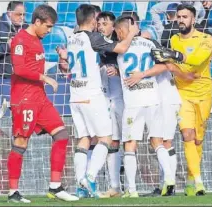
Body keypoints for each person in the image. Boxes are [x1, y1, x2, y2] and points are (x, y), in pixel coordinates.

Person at [57, 4, 138, 198]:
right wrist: (132, 33)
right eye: (97, 19)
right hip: (92, 94)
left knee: (84, 139)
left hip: (75, 95)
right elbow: (122, 47)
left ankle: (80, 186)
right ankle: (90, 178)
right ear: (93, 19)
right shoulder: (93, 37)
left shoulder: (71, 38)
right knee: (106, 138)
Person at [7, 4, 79, 203]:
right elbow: (19, 69)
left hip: (40, 97)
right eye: (47, 27)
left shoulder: (37, 40)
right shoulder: (21, 40)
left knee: (62, 135)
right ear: (37, 21)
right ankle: (13, 192)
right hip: (24, 99)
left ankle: (55, 186)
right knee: (21, 143)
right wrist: (45, 77)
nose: (49, 31)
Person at [151, 4, 212, 196]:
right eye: (178, 16)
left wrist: (174, 56)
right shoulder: (173, 39)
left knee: (198, 140)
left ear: (193, 20)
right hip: (182, 93)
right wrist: (172, 63)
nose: (181, 20)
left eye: (185, 17)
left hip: (203, 93)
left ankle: (190, 178)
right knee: (188, 135)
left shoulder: (206, 39)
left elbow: (196, 60)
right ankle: (199, 182)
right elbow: (173, 66)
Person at [114, 15, 175, 198]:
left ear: (123, 30)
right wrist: (144, 74)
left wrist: (138, 75)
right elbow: (165, 66)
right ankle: (170, 179)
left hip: (134, 102)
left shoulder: (119, 47)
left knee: (130, 144)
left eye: (118, 32)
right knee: (157, 141)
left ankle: (131, 190)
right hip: (153, 98)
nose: (117, 35)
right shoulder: (150, 44)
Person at [96, 11, 123, 198]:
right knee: (111, 140)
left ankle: (131, 186)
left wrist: (119, 70)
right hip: (106, 96)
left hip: (126, 96)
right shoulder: (94, 42)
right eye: (99, 23)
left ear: (113, 27)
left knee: (130, 140)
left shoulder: (122, 44)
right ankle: (114, 186)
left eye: (105, 23)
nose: (101, 26)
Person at [0, 1, 28, 79]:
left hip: (20, 77)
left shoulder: (26, 27)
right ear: (9, 13)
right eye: (19, 14)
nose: (22, 18)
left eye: (24, 15)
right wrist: (7, 46)